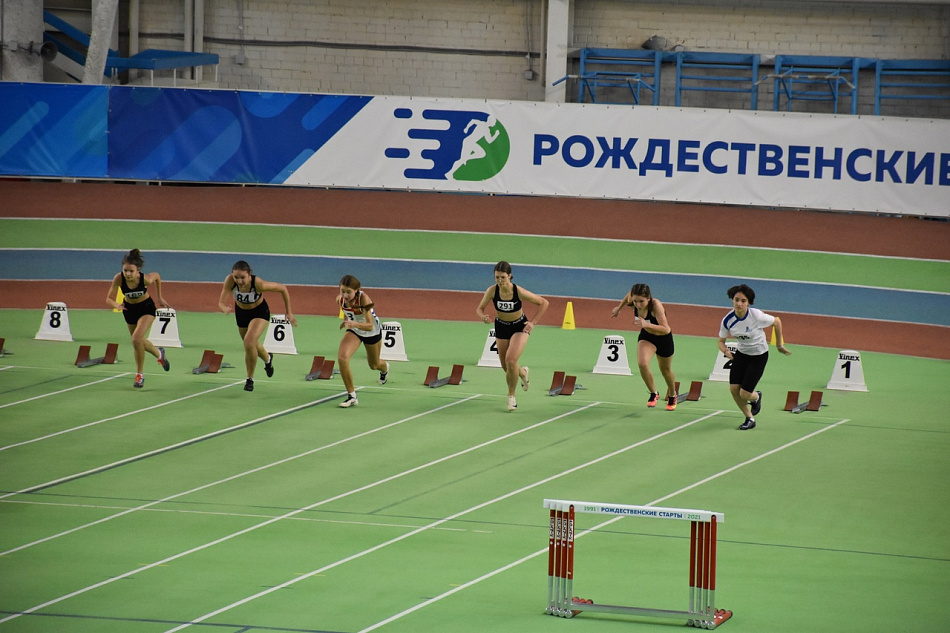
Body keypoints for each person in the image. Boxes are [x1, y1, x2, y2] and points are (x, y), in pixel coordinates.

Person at [476, 261, 549, 412]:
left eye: (503, 277)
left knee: (511, 360)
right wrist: (483, 317)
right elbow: (479, 308)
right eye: (497, 277)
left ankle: (511, 397)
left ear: (510, 276)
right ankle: (523, 372)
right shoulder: (492, 291)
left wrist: (533, 322)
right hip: (501, 327)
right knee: (506, 367)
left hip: (519, 327)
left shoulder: (518, 291)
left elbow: (543, 303)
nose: (500, 281)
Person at [717, 284, 791, 430]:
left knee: (744, 393)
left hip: (758, 356)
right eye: (736, 300)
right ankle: (749, 418)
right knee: (734, 390)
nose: (739, 304)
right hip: (741, 355)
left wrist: (779, 345)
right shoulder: (727, 320)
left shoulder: (756, 316)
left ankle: (756, 396)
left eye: (743, 301)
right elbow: (720, 342)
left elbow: (777, 321)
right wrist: (725, 352)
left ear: (748, 303)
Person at [218, 260, 296, 392]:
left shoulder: (258, 284)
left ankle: (250, 379)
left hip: (259, 312)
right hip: (241, 313)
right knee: (250, 343)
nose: (239, 281)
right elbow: (220, 302)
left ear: (249, 275)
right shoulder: (230, 281)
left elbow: (283, 288)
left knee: (249, 342)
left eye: (243, 277)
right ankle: (267, 358)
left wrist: (288, 311)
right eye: (236, 277)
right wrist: (224, 308)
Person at [106, 249, 171, 389]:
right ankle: (159, 354)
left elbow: (157, 276)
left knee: (136, 339)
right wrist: (116, 304)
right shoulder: (119, 278)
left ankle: (140, 375)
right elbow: (108, 298)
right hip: (129, 310)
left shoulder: (145, 279)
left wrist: (160, 297)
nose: (128, 274)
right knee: (138, 341)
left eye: (131, 271)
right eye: (125, 270)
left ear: (137, 271)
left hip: (146, 308)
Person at [611, 283, 677, 410]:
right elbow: (628, 296)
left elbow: (666, 329)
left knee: (665, 370)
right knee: (642, 364)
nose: (638, 305)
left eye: (641, 301)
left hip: (664, 339)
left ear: (648, 298)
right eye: (635, 301)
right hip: (647, 337)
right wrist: (618, 308)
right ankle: (653, 393)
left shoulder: (655, 305)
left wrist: (645, 324)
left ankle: (673, 395)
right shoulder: (633, 301)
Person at [336, 275, 390, 408]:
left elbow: (369, 325)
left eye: (348, 292)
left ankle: (385, 368)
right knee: (342, 358)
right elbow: (348, 312)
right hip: (355, 331)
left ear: (356, 290)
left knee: (374, 365)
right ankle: (352, 396)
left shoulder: (363, 299)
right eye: (342, 291)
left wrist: (353, 323)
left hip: (371, 332)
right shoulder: (340, 300)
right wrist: (346, 322)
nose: (345, 295)